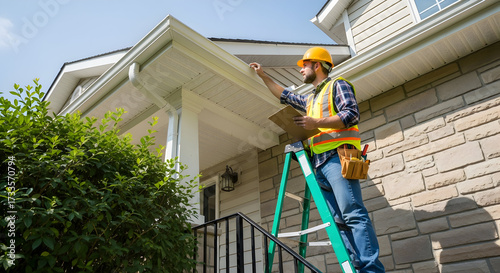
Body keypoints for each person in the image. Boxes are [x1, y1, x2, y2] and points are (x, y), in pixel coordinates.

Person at [250, 47, 385, 273]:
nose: (301, 70)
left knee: (352, 213)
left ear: (317, 65)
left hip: (337, 158)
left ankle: (371, 270)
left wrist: (315, 122)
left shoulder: (338, 85)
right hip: (319, 165)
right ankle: (356, 267)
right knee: (338, 221)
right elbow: (285, 95)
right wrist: (264, 76)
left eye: (305, 65)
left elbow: (351, 114)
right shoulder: (310, 99)